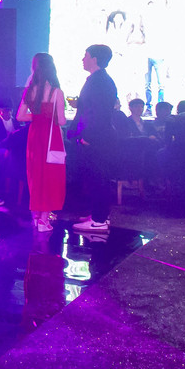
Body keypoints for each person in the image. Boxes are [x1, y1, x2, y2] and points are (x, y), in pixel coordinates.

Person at [68, 44, 120, 235]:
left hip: (96, 138)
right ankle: (99, 216)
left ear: (95, 59)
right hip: (98, 136)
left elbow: (99, 112)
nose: (83, 59)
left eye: (86, 55)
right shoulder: (100, 80)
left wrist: (88, 137)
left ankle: (99, 220)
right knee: (96, 178)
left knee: (98, 178)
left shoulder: (99, 81)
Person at [17, 52, 66, 232]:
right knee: (51, 176)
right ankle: (44, 220)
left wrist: (37, 116)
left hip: (35, 137)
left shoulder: (30, 90)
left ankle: (36, 217)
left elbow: (20, 116)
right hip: (51, 138)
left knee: (35, 175)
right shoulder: (56, 92)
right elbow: (61, 121)